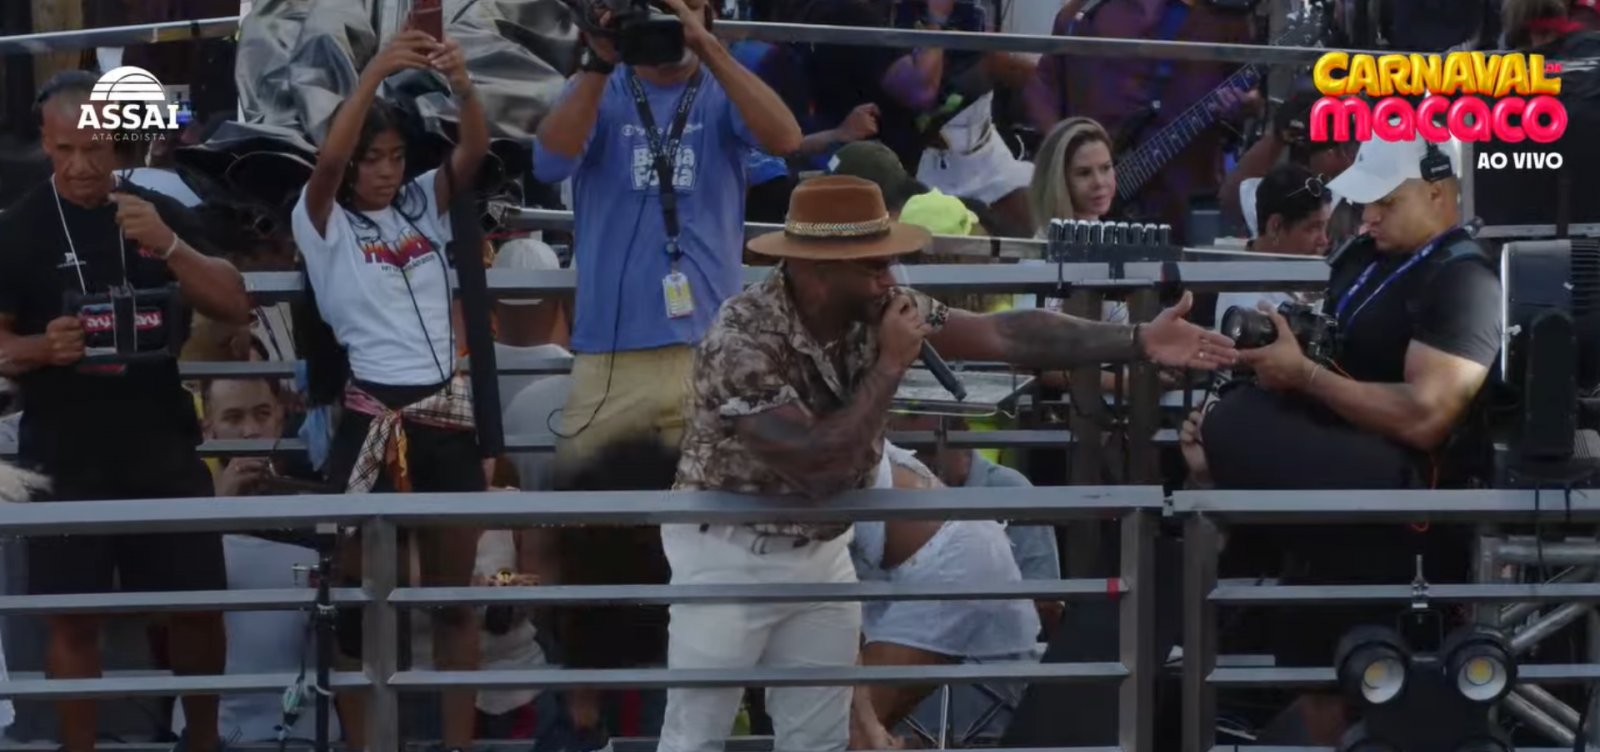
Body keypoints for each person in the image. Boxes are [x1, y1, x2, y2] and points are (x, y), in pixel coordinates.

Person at [661, 175, 1235, 751]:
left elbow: (1002, 334)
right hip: (730, 555)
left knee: (823, 741)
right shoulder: (740, 340)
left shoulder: (875, 306)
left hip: (819, 550)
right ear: (815, 270)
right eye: (872, 266)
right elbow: (817, 468)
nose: (889, 278)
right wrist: (890, 367)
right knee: (696, 736)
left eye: (888, 261)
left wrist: (1136, 339)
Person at [0, 69, 252, 752]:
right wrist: (37, 346)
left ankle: (202, 741)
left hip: (160, 441)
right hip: (63, 451)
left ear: (119, 141)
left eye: (95, 147)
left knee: (199, 610)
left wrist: (169, 246)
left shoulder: (153, 208)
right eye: (63, 151)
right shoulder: (18, 228)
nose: (80, 166)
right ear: (45, 146)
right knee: (71, 620)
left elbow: (235, 303)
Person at [288, 26, 490, 752]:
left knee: (454, 603)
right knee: (359, 606)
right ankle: (371, 744)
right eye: (372, 159)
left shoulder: (419, 205)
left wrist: (462, 84)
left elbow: (473, 149)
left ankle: (456, 747)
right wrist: (372, 73)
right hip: (370, 416)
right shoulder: (321, 219)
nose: (380, 170)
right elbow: (330, 160)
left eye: (395, 156)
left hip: (445, 417)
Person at [532, 0, 802, 468]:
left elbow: (786, 139)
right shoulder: (599, 86)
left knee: (707, 520)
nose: (669, 24)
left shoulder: (724, 86)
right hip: (613, 354)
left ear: (709, 13)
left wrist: (708, 47)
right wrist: (599, 61)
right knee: (589, 521)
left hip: (711, 351)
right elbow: (549, 164)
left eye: (685, 8)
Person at [1026, 117, 1115, 235]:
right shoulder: (1046, 246)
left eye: (1105, 168)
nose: (1099, 182)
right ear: (1059, 180)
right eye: (1084, 173)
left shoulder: (1108, 237)